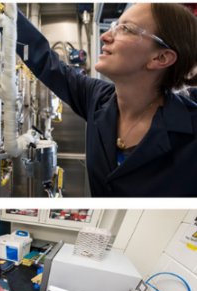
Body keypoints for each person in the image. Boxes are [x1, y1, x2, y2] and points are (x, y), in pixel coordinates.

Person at [15, 3, 197, 196]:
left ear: (160, 57)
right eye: (114, 26)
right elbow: (43, 60)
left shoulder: (191, 132)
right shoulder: (98, 98)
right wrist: (5, 12)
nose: (105, 36)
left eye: (125, 29)